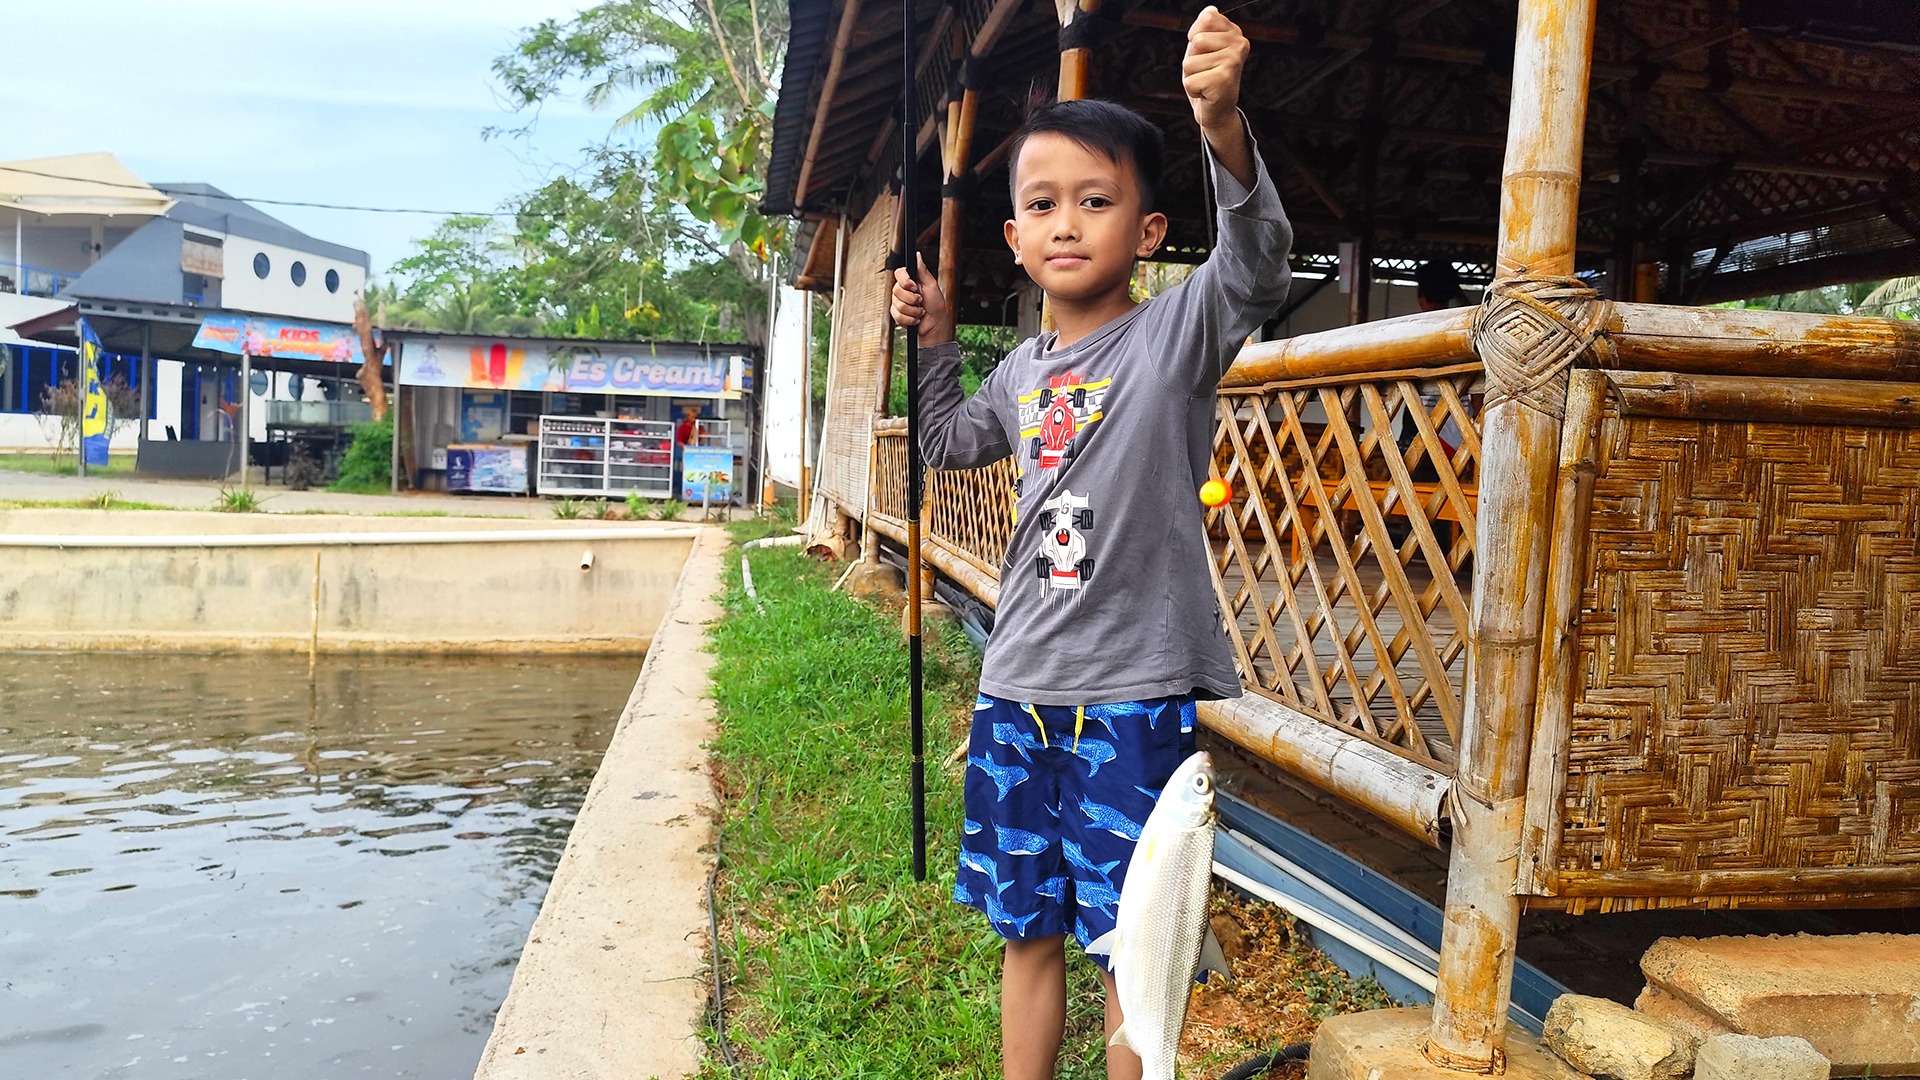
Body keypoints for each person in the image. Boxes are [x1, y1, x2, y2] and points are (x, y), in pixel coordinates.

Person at [889, 8, 1290, 1078]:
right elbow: (943, 441)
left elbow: (1259, 262)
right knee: (1026, 930)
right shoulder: (1019, 375)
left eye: (1097, 201)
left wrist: (1223, 127)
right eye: (1042, 205)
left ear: (1149, 233)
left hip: (1132, 694)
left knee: (1131, 937)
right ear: (1015, 238)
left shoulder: (1174, 334)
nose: (1068, 223)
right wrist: (932, 340)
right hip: (1016, 686)